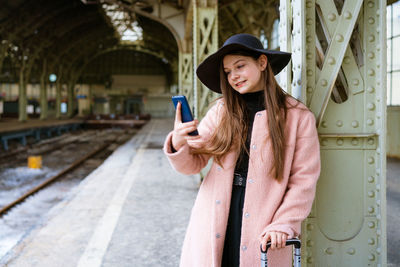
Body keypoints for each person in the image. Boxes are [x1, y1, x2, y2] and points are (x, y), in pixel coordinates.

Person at [163, 33, 320, 267]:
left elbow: (303, 180)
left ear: (262, 62)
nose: (233, 76)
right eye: (227, 72)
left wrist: (283, 223)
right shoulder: (221, 111)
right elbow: (193, 164)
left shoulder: (297, 117)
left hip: (265, 219)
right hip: (216, 215)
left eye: (240, 66)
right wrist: (178, 141)